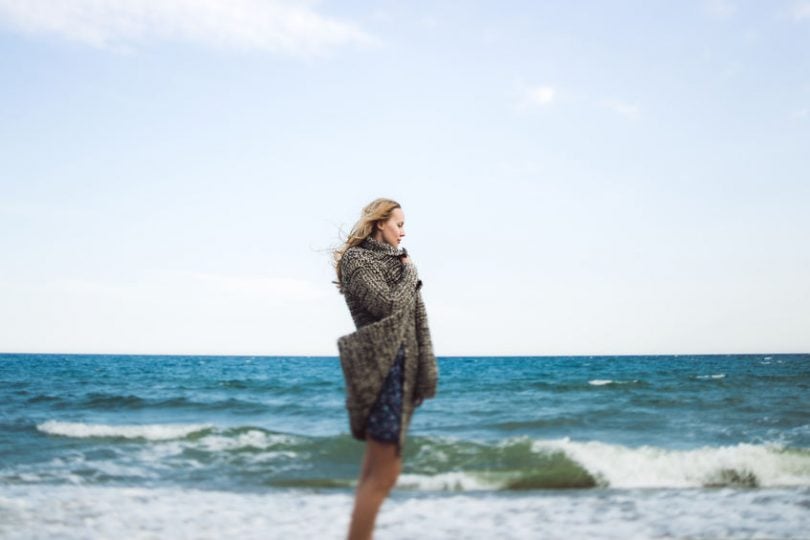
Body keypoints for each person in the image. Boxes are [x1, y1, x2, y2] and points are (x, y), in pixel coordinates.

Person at [332, 197, 438, 540]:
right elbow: (388, 305)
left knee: (374, 473)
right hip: (381, 369)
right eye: (399, 224)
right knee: (384, 474)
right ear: (380, 223)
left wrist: (424, 372)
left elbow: (418, 321)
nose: (404, 232)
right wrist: (411, 273)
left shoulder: (398, 262)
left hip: (402, 371)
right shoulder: (357, 260)